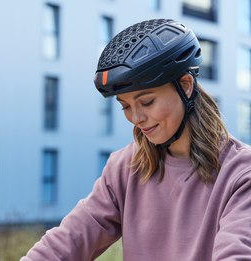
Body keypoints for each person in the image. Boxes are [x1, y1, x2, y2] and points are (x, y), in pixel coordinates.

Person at [20, 19, 251, 260]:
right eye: (125, 107)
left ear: (186, 86)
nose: (136, 118)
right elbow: (69, 239)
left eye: (147, 102)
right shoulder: (126, 167)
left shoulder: (241, 174)